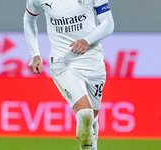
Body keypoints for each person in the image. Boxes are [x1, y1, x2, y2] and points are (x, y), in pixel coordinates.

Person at [23, 0, 114, 149]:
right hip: (62, 63)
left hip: (93, 62)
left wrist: (86, 41)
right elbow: (29, 19)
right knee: (85, 114)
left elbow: (108, 23)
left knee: (92, 119)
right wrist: (35, 54)